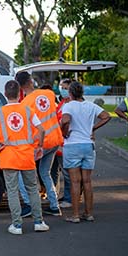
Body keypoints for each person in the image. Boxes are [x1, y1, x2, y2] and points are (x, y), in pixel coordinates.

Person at [0, 80, 49, 235]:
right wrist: (39, 146)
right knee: (32, 189)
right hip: (27, 156)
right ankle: (39, 222)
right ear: (19, 93)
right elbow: (41, 129)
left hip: (9, 157)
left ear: (6, 94)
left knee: (13, 191)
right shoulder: (27, 110)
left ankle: (17, 225)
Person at [61, 81, 111, 223]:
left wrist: (63, 131)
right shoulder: (91, 106)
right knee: (87, 181)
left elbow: (65, 120)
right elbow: (106, 116)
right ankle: (88, 213)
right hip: (88, 145)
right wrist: (93, 129)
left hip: (72, 146)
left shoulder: (68, 106)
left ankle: (75, 215)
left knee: (75, 182)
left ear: (70, 93)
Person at [15, 71, 64, 217]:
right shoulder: (48, 94)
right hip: (55, 140)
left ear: (19, 86)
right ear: (31, 81)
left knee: (20, 173)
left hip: (40, 144)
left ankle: (29, 204)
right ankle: (54, 206)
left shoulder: (24, 104)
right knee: (45, 173)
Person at [53, 78, 73, 208]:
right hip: (60, 142)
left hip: (66, 142)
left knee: (67, 173)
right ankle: (67, 196)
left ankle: (70, 198)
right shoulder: (62, 103)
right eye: (61, 87)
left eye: (65, 88)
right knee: (63, 171)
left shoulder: (71, 104)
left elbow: (66, 122)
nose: (62, 90)